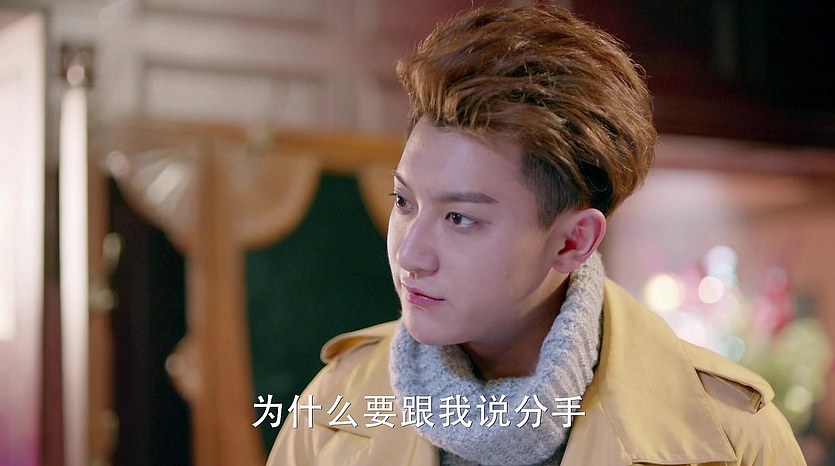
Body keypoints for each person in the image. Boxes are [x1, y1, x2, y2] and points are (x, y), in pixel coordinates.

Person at [267, 5, 806, 465]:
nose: (410, 253)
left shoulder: (733, 438)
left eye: (460, 219)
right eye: (404, 202)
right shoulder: (335, 404)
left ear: (573, 242)